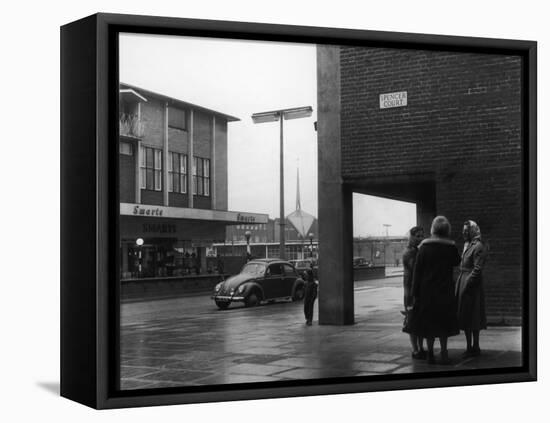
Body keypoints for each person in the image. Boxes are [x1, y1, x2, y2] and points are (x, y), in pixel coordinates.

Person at [409, 216, 461, 364]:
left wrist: (415, 293)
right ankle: (444, 353)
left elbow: (417, 273)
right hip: (445, 291)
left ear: (433, 229)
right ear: (446, 230)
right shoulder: (450, 247)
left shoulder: (424, 248)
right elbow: (457, 261)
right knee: (444, 323)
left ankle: (430, 354)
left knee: (429, 324)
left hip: (427, 292)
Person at [456, 220, 488, 358]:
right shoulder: (466, 245)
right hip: (463, 280)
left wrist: (467, 283)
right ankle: (469, 346)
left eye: (466, 231)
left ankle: (476, 346)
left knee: (473, 316)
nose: (464, 233)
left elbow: (477, 268)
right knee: (465, 316)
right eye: (463, 231)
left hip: (471, 285)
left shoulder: (478, 246)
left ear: (473, 231)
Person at [402, 226, 426, 359]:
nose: (420, 238)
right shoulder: (409, 252)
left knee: (419, 320)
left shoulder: (417, 250)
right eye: (417, 236)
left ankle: (421, 348)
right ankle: (415, 349)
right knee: (412, 320)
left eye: (422, 235)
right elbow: (415, 270)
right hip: (410, 292)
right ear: (412, 237)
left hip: (417, 290)